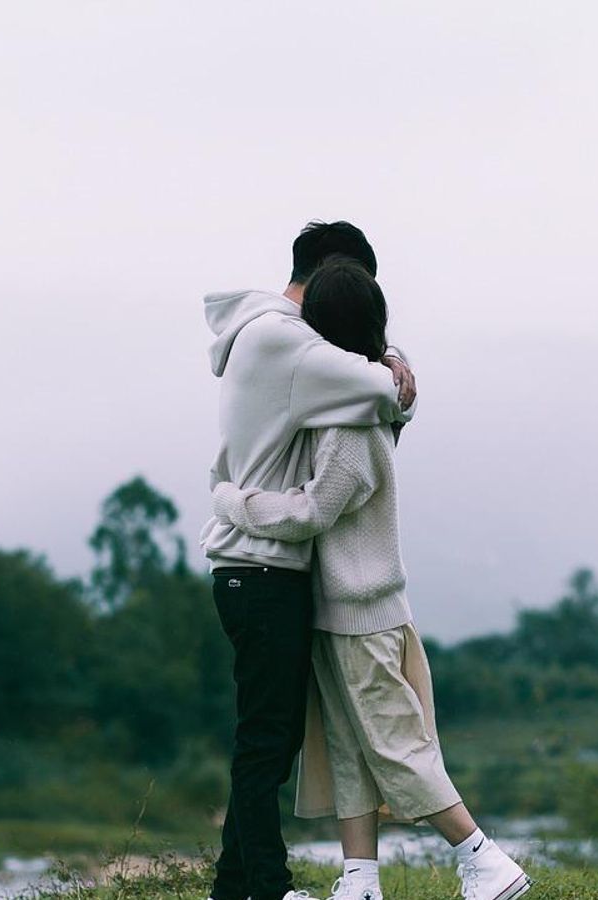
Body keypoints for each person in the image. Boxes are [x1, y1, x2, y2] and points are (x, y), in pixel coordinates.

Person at [212, 259, 533, 900]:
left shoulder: (349, 422)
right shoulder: (359, 399)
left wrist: (231, 501)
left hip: (362, 612)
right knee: (349, 749)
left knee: (393, 743)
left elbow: (311, 511)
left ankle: (482, 858)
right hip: (337, 609)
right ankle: (359, 878)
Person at [202, 222, 418, 900]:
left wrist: (389, 362)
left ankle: (235, 885)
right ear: (332, 275)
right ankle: (265, 888)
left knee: (273, 737)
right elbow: (384, 389)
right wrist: (394, 363)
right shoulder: (284, 341)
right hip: (260, 565)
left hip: (264, 567)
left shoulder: (279, 338)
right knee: (266, 739)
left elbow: (374, 383)